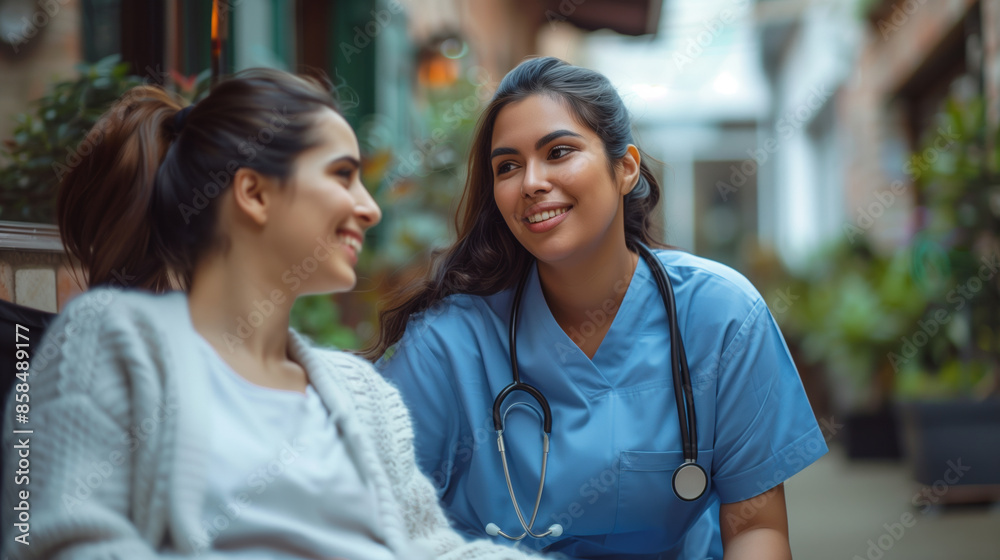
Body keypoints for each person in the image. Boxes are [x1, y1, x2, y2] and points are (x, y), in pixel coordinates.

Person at [0, 68, 541, 560]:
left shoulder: (363, 396)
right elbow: (64, 540)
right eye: (342, 174)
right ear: (254, 193)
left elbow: (435, 551)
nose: (369, 207)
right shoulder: (113, 340)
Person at [368, 57, 828, 560]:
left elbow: (756, 529)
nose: (531, 183)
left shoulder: (722, 317)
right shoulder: (449, 343)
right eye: (508, 166)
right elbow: (378, 522)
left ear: (625, 168)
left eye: (559, 151)